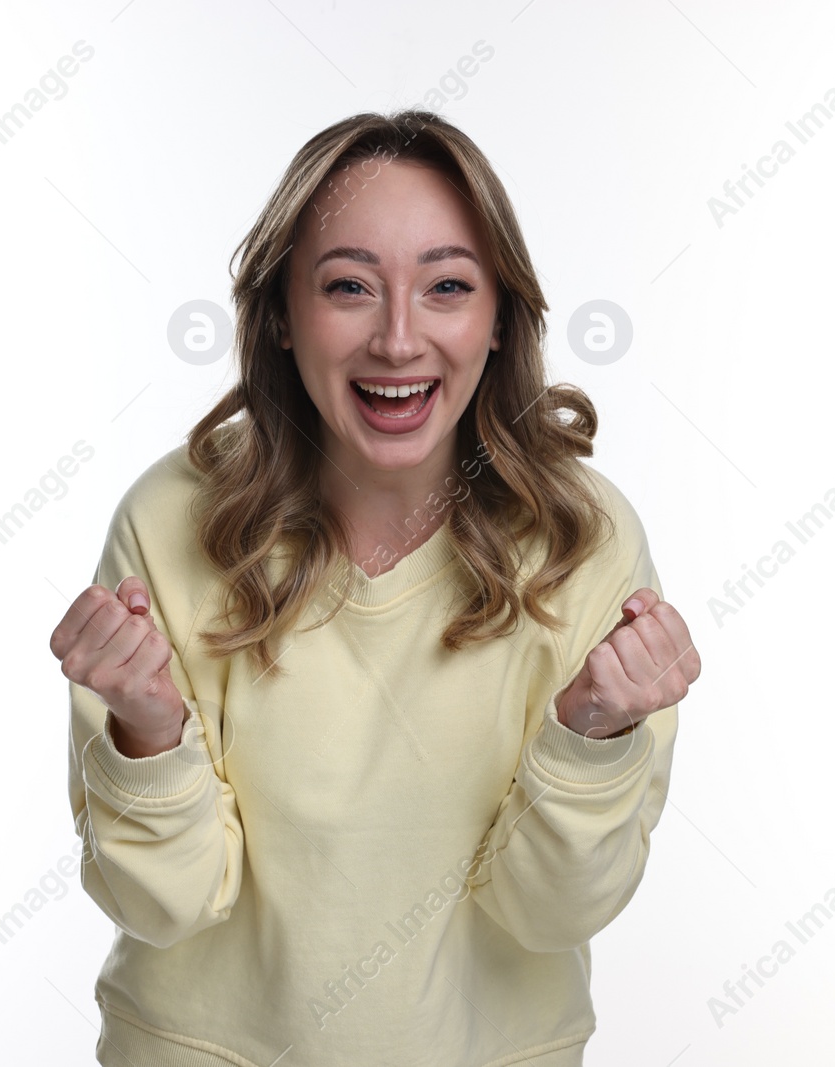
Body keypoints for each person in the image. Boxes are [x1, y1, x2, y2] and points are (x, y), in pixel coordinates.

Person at [49, 108, 700, 1066]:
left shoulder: (584, 540)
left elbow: (552, 911)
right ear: (278, 313)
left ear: (498, 319)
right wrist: (147, 729)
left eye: (446, 287)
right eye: (349, 286)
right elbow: (166, 903)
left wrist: (592, 734)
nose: (399, 339)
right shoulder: (169, 519)